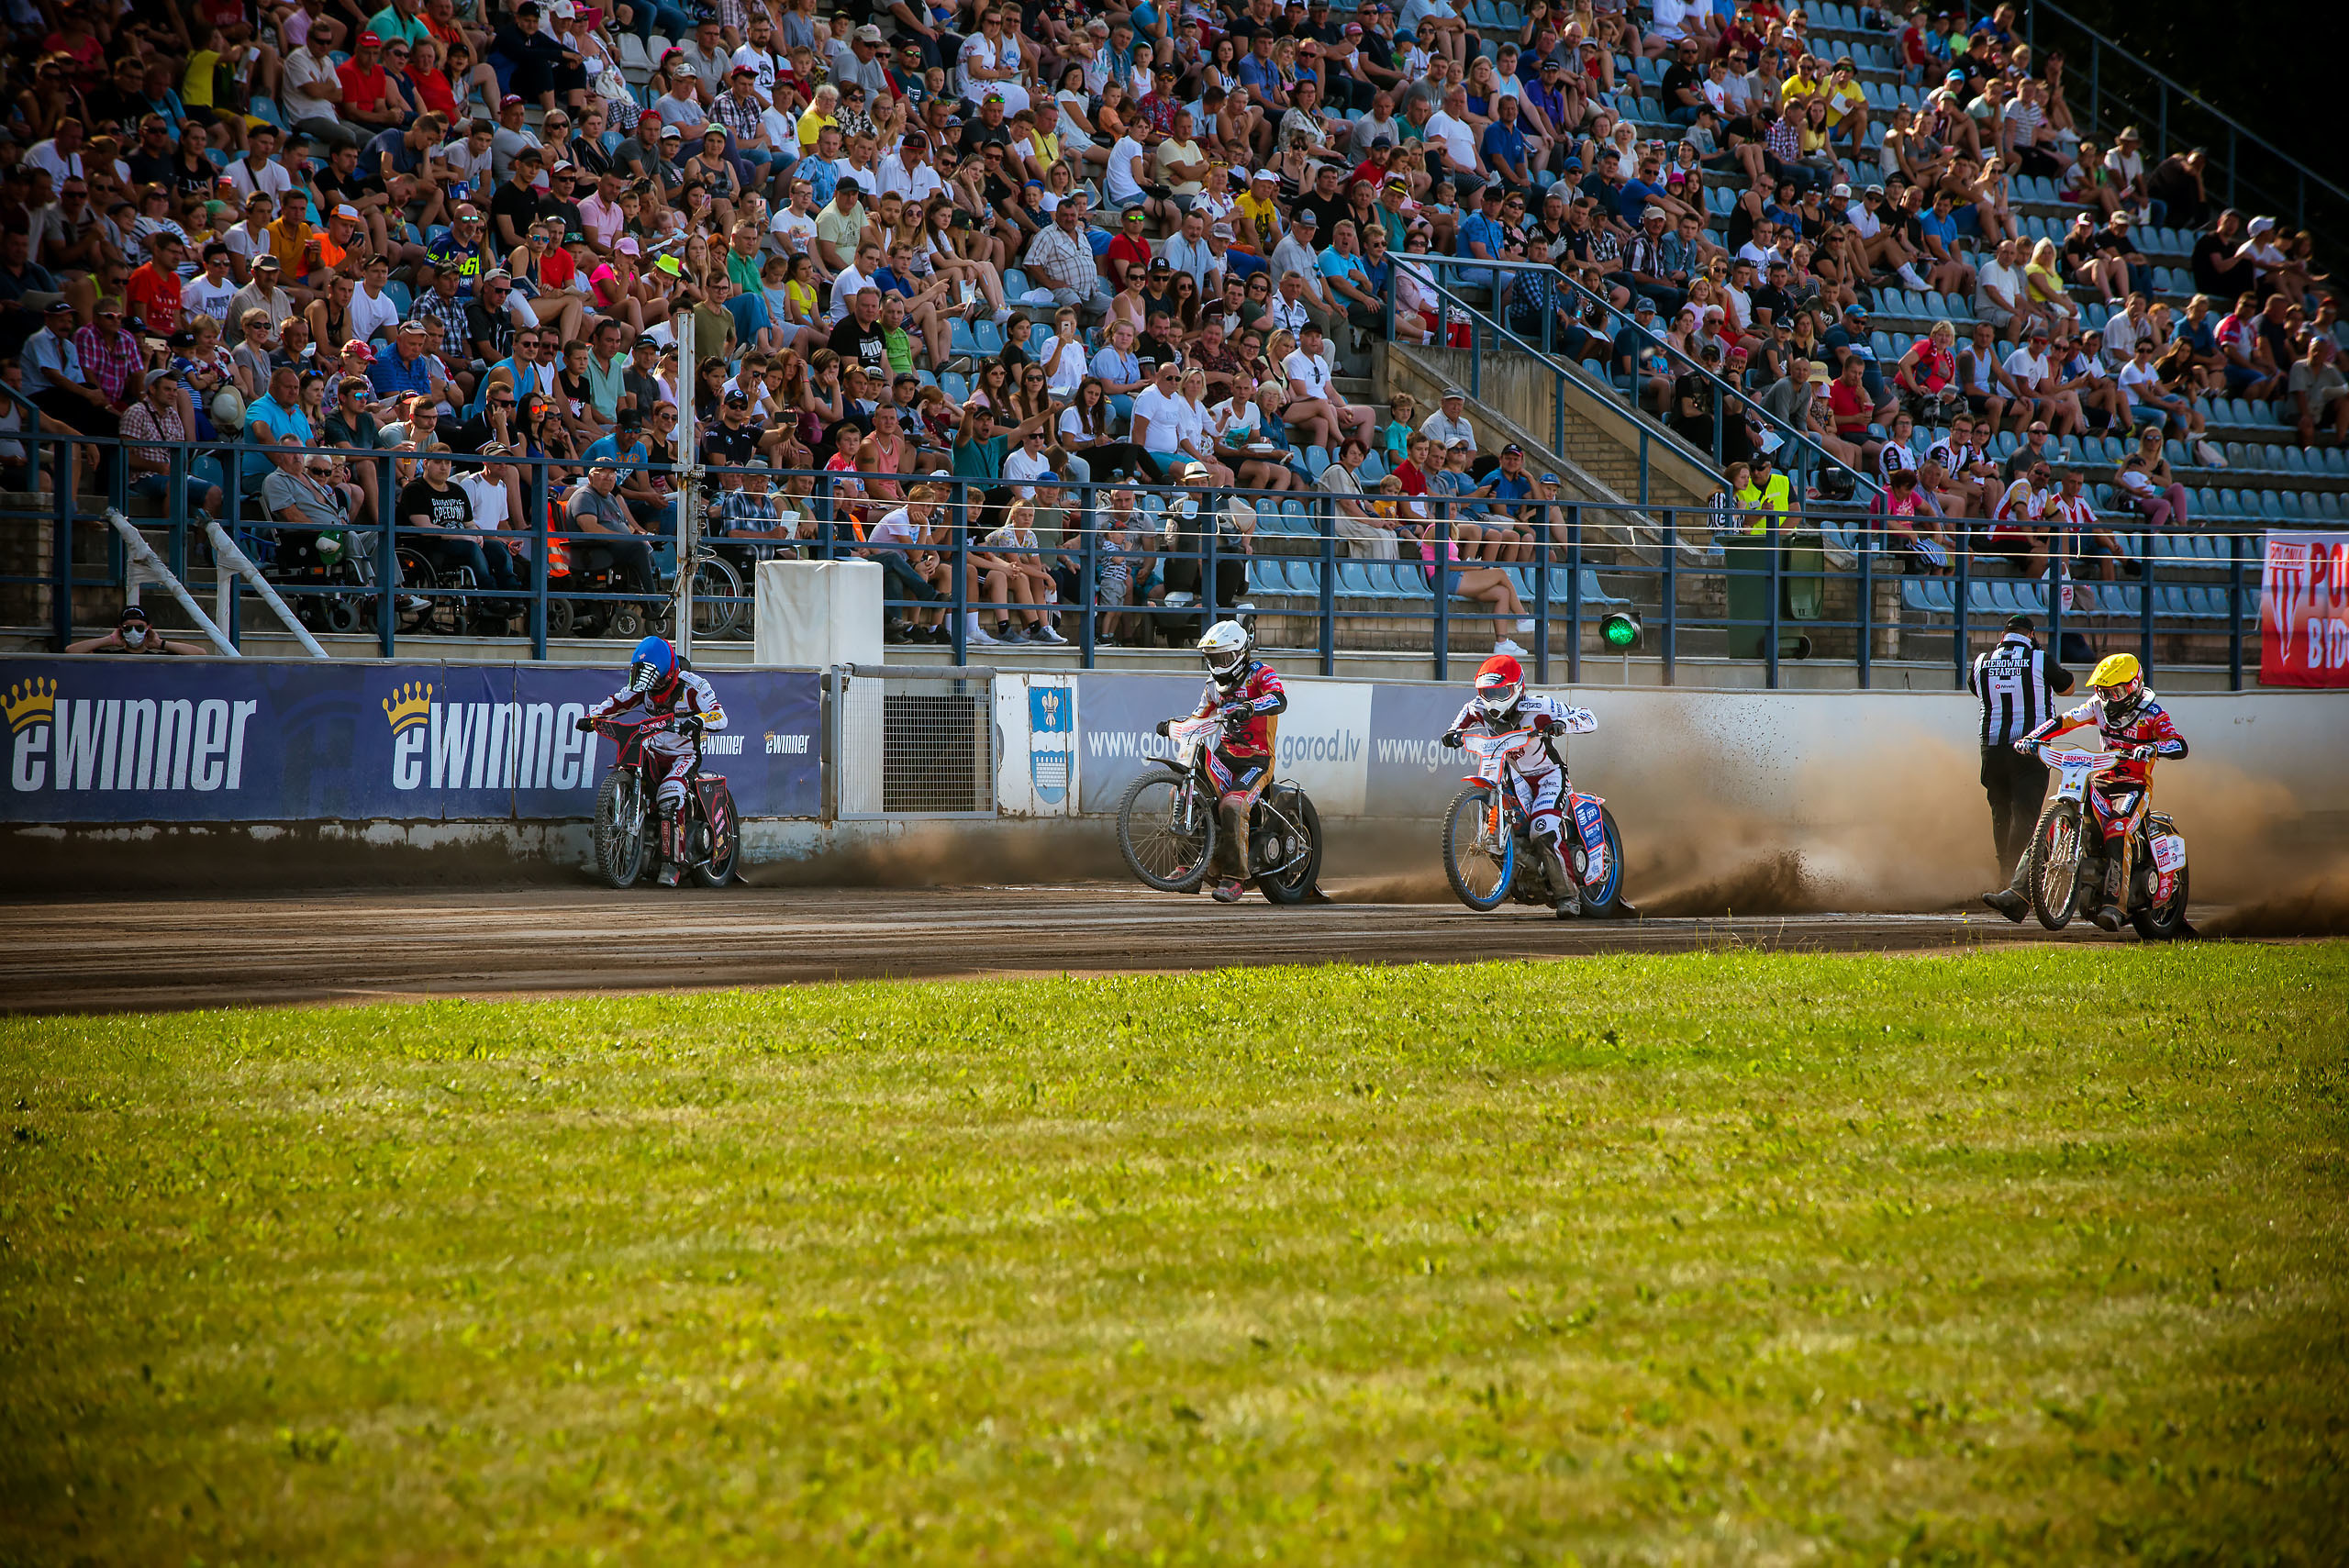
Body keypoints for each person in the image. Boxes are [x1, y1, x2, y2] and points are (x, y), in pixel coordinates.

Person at [1436, 653, 1631, 919]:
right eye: (1486, 692)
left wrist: (1563, 724)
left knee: (1544, 830)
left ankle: (1569, 896)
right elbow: (1465, 715)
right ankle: (1512, 877)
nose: (1492, 700)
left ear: (1517, 688)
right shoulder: (1478, 707)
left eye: (1499, 692)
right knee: (1495, 829)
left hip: (1547, 776)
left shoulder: (1539, 706)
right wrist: (1453, 733)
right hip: (1511, 777)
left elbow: (1588, 717)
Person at [2003, 652, 2188, 931]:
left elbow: (2179, 745)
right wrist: (2033, 737)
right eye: (2104, 691)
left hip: (2134, 786)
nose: (2111, 698)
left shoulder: (2153, 714)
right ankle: (2017, 895)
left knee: (2117, 827)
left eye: (2118, 691)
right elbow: (2064, 721)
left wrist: (2153, 748)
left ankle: (2114, 905)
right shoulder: (2097, 706)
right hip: (2100, 778)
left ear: (2135, 686)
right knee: (2052, 824)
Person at [574, 635, 728, 886]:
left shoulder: (693, 686)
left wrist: (698, 720)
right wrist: (592, 718)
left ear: (667, 673)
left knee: (669, 794)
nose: (648, 681)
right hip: (653, 749)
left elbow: (720, 716)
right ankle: (618, 858)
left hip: (684, 754)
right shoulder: (642, 687)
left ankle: (672, 864)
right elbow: (616, 701)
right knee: (627, 771)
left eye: (651, 674)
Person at [1158, 618, 1287, 904]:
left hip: (1257, 759)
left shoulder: (1261, 674)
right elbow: (1198, 717)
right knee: (1180, 793)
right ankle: (1188, 869)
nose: (1218, 663)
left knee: (1233, 804)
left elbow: (1279, 699)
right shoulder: (1212, 687)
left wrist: (1250, 707)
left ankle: (1235, 877)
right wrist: (1172, 725)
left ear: (1240, 653)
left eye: (1224, 657)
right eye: (1213, 658)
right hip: (1225, 757)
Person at [1972, 614, 2076, 922]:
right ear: (2031, 634)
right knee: (2027, 814)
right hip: (2030, 747)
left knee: (2000, 811)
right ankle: (2019, 886)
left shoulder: (1981, 661)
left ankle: (2005, 874)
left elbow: (1976, 690)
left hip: (1991, 747)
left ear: (2002, 635)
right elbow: (2068, 688)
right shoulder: (2039, 659)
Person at [65, 603, 207, 656]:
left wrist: (161, 644)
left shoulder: (159, 658)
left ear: (148, 628)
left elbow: (200, 653)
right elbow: (71, 651)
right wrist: (110, 640)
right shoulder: (107, 656)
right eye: (128, 628)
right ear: (121, 629)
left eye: (139, 627)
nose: (134, 632)